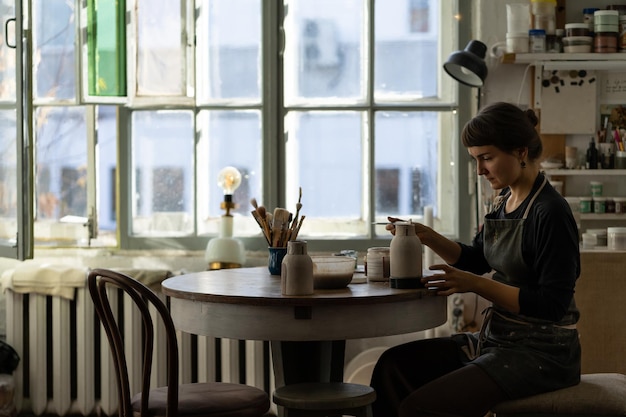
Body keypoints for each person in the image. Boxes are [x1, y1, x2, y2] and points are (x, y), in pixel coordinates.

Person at [370, 101, 581, 417]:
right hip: (500, 340)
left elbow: (551, 305)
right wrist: (426, 235)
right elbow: (476, 259)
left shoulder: (550, 213)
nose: (480, 170)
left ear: (521, 152)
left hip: (543, 354)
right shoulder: (504, 201)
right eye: (475, 160)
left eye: (487, 158)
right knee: (392, 367)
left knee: (420, 408)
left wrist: (475, 286)